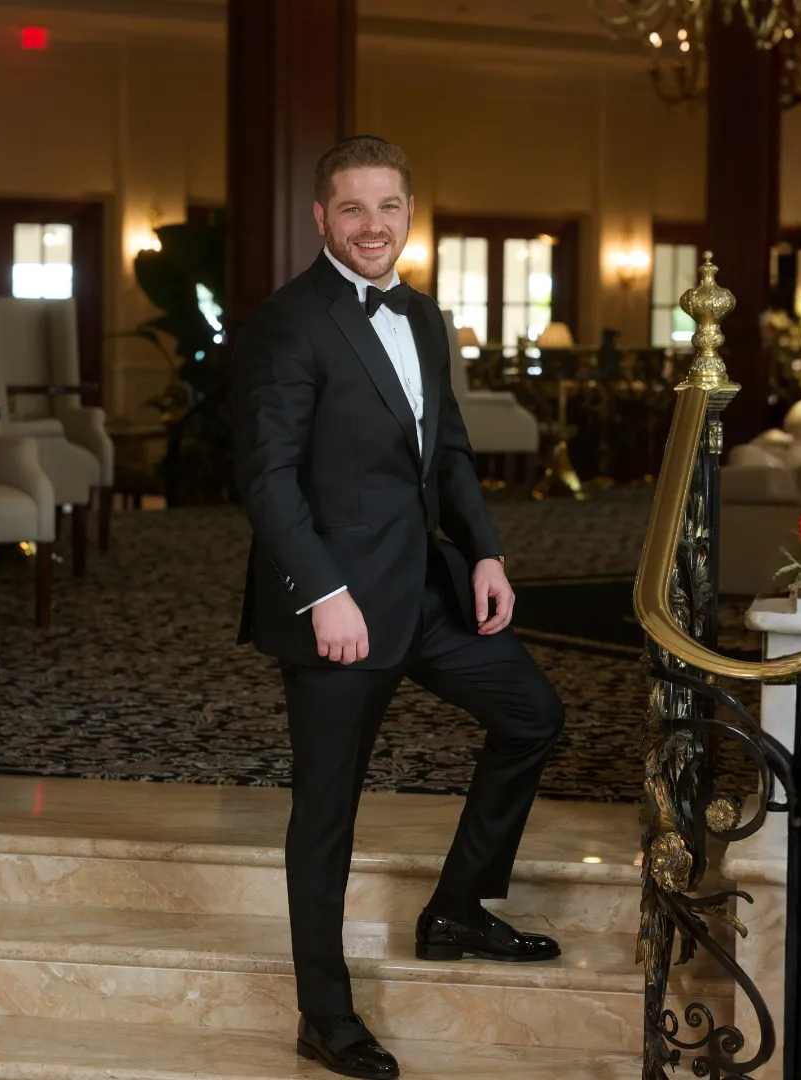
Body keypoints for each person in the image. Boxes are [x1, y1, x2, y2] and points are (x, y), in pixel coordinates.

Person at [232, 135, 565, 1080]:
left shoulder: (422, 315)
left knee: (533, 716)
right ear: (321, 217)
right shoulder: (286, 323)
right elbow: (266, 479)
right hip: (336, 607)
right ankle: (324, 1015)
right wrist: (323, 594)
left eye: (388, 207)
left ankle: (456, 908)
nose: (372, 225)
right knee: (327, 812)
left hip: (424, 588)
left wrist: (486, 551)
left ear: (410, 212)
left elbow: (445, 449)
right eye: (352, 208)